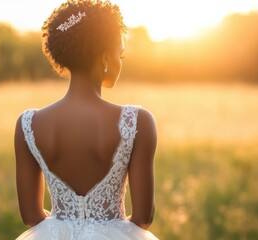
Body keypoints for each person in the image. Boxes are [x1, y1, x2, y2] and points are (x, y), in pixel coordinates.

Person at [14, 0, 158, 239]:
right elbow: (143, 217)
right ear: (104, 58)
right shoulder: (138, 121)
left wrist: (63, 228)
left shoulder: (28, 124)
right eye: (119, 54)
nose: (120, 62)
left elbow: (30, 216)